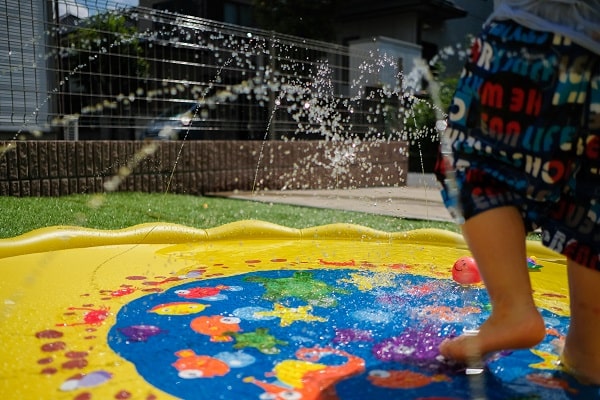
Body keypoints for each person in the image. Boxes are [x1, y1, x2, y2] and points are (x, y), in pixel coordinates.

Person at [434, 0, 600, 384]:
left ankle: (512, 310)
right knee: (590, 212)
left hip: (532, 36)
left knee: (472, 163)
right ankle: (589, 353)